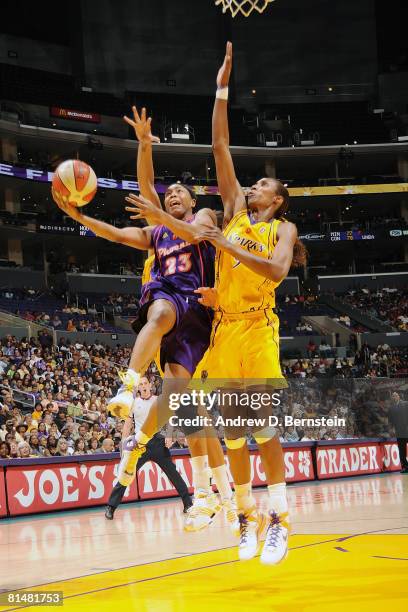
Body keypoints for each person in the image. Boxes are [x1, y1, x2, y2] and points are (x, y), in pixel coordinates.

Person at [154, 42, 305, 565]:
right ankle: (246, 515)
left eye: (264, 183)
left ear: (277, 199)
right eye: (254, 182)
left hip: (260, 329)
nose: (254, 185)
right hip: (225, 332)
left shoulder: (281, 228)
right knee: (234, 435)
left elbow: (277, 272)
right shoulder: (234, 211)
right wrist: (221, 88)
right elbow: (220, 145)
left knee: (263, 430)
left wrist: (226, 245)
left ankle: (281, 519)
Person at [54, 107, 238, 534]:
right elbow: (119, 229)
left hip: (200, 313)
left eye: (179, 193)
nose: (172, 195)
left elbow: (195, 235)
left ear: (192, 201)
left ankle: (213, 493)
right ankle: (129, 384)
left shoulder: (204, 217)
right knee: (157, 311)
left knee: (182, 404)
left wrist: (161, 214)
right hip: (168, 302)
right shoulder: (156, 234)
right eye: (167, 193)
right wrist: (81, 215)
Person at [105, 377, 192, 519]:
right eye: (141, 384)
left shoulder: (158, 400)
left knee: (173, 473)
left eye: (146, 383)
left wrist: (169, 435)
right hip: (140, 444)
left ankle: (188, 504)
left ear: (150, 385)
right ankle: (111, 507)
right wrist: (123, 448)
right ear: (138, 388)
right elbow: (127, 426)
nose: (144, 386)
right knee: (126, 474)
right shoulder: (132, 404)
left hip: (158, 441)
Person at [389, 392, 408, 473]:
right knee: (401, 450)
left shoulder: (406, 404)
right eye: (393, 396)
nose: (394, 397)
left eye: (396, 395)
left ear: (399, 396)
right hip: (399, 432)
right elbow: (391, 420)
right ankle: (405, 467)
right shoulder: (391, 408)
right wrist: (392, 428)